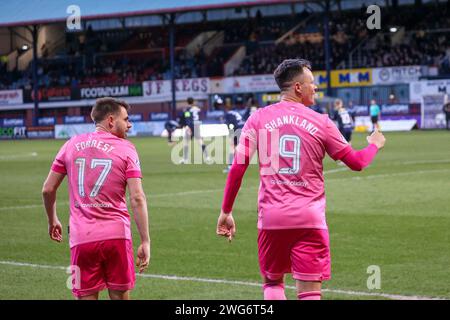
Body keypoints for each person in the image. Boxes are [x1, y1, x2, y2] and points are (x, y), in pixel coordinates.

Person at [216, 59, 386, 300]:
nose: (315, 88)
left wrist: (226, 210)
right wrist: (374, 145)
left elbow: (237, 167)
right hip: (310, 220)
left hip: (272, 218)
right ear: (298, 87)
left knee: (273, 283)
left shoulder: (258, 119)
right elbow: (357, 163)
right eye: (312, 83)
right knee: (309, 293)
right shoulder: (322, 122)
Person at [42, 97, 150, 300]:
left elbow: (48, 190)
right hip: (117, 236)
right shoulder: (127, 148)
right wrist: (145, 240)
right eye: (126, 119)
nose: (130, 124)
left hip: (81, 238)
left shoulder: (70, 145)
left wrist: (52, 220)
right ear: (111, 120)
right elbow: (137, 198)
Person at [180, 97, 211, 164]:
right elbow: (201, 117)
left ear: (187, 102)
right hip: (197, 125)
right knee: (200, 142)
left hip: (191, 126)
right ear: (193, 102)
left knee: (186, 142)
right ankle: (207, 157)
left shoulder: (187, 110)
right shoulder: (197, 109)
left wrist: (188, 128)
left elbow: (187, 119)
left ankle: (185, 159)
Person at [223, 101, 246, 173]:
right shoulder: (236, 112)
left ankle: (231, 166)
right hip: (244, 128)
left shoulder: (228, 114)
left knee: (233, 147)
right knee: (238, 147)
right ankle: (238, 165)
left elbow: (230, 125)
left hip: (238, 129)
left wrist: (231, 134)